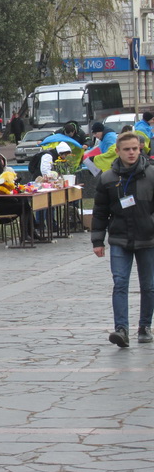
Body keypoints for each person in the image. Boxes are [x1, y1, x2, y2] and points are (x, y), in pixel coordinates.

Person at [92, 132, 154, 348]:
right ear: (117, 151)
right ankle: (121, 329)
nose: (131, 153)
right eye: (126, 149)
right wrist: (97, 241)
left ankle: (145, 326)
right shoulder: (108, 178)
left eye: (135, 148)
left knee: (149, 286)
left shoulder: (151, 175)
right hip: (120, 238)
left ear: (140, 149)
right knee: (120, 283)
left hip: (148, 238)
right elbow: (100, 211)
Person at [0, 153, 34, 239]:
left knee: (24, 202)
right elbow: (0, 193)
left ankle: (30, 232)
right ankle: (27, 233)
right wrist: (13, 198)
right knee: (24, 207)